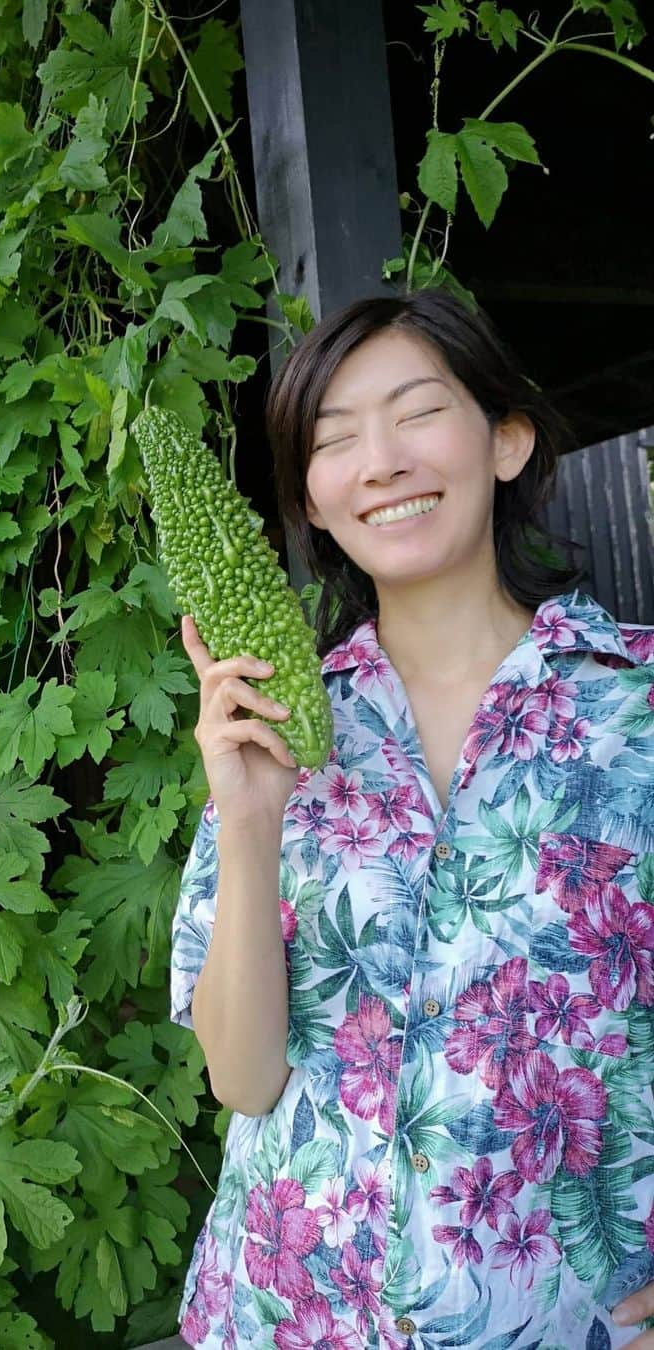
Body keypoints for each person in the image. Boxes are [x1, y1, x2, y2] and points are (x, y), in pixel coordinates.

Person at [170, 289, 654, 1349]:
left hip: (551, 1322)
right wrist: (248, 822)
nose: (380, 460)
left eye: (418, 411)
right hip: (281, 1314)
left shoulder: (636, 713)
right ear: (314, 496)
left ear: (508, 440)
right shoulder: (276, 731)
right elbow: (242, 1078)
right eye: (335, 439)